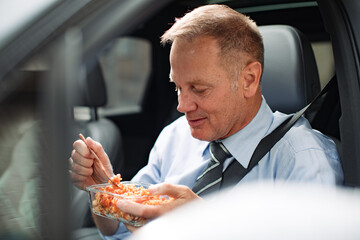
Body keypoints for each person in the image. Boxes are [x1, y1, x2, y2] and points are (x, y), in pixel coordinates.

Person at [69, 4, 343, 239]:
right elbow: (120, 229)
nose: (182, 106)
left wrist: (208, 225)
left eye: (199, 89)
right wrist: (105, 192)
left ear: (248, 80)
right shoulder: (174, 137)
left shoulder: (303, 159)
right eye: (177, 87)